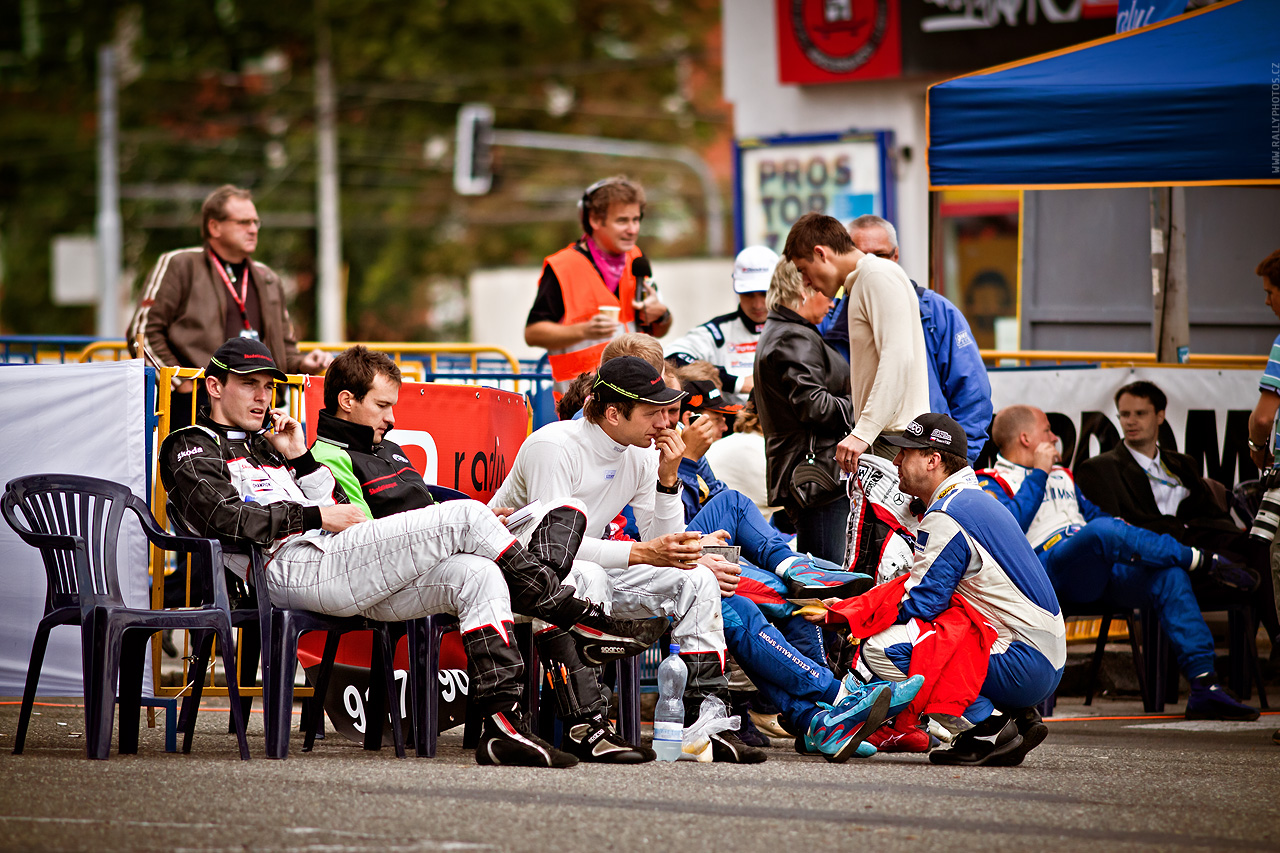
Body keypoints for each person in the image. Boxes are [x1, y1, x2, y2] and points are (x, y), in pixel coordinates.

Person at [160, 338, 660, 768]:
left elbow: (333, 506)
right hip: (287, 567)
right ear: (214, 386)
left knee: (476, 576)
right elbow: (222, 518)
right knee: (466, 517)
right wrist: (312, 518)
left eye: (268, 385)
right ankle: (568, 612)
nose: (262, 396)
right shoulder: (189, 443)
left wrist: (298, 456)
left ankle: (503, 729)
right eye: (250, 384)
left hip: (339, 563)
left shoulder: (271, 443)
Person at [308, 345, 665, 763]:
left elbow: (422, 517)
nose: (392, 418)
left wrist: (483, 520)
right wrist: (460, 524)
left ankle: (577, 725)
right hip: (384, 579)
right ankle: (567, 615)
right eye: (383, 405)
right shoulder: (325, 459)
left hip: (444, 562)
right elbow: (366, 546)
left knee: (566, 514)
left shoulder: (387, 448)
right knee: (497, 569)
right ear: (347, 401)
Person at [490, 356, 773, 763]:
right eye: (652, 412)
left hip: (586, 573)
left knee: (697, 581)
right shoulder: (552, 446)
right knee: (586, 573)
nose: (666, 422)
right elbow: (552, 551)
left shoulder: (642, 451)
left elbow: (662, 542)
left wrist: (669, 477)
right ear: (612, 413)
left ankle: (702, 726)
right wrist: (642, 552)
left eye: (666, 411)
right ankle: (586, 725)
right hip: (520, 577)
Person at [979, 405, 1260, 722]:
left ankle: (1205, 687)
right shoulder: (988, 482)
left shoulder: (1065, 476)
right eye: (1047, 430)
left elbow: (1101, 519)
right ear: (1027, 438)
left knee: (1167, 575)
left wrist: (1122, 534)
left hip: (1093, 566)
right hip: (1044, 575)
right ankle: (1202, 560)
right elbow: (1008, 532)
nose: (1055, 436)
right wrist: (1040, 474)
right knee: (1101, 533)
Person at [863, 413, 1066, 766]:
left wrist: (854, 616)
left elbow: (921, 604)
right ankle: (1017, 716)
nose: (896, 461)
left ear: (932, 460)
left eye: (905, 453)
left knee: (880, 648)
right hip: (1044, 659)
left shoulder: (947, 514)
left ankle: (987, 727)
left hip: (1024, 663)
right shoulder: (977, 500)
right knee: (948, 623)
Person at [1074, 380, 1273, 640]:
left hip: (1200, 542)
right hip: (1156, 554)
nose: (1130, 421)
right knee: (1230, 571)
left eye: (1140, 413)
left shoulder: (1182, 463)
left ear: (1160, 416)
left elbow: (1210, 513)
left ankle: (1274, 635)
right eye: (1125, 414)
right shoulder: (1099, 468)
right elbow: (1114, 530)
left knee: (1260, 546)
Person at [127, 185, 331, 428]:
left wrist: (304, 363)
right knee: (201, 467)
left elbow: (284, 351)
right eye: (243, 222)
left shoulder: (269, 278)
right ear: (214, 226)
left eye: (256, 222)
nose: (253, 229)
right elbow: (141, 334)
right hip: (197, 406)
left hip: (260, 406)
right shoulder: (179, 264)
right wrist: (183, 384)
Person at [819, 215, 992, 465]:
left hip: (928, 459)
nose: (870, 264)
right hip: (860, 459)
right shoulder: (830, 319)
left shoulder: (937, 312)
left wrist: (956, 463)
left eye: (880, 255)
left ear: (896, 255)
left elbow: (973, 396)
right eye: (862, 256)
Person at [524, 176, 672, 394]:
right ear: (594, 220)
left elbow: (660, 329)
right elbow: (533, 333)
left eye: (636, 219)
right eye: (622, 221)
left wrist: (662, 314)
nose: (633, 229)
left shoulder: (637, 259)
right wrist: (584, 330)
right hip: (581, 401)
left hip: (636, 395)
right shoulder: (562, 266)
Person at [752, 259, 851, 563]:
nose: (833, 301)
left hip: (810, 473)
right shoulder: (794, 335)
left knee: (823, 574)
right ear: (805, 287)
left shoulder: (784, 330)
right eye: (826, 289)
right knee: (826, 577)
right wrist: (864, 406)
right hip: (819, 475)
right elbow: (815, 407)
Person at [664, 245, 779, 394]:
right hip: (733, 415)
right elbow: (671, 358)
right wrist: (736, 383)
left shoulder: (796, 329)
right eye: (748, 294)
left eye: (764, 294)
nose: (757, 305)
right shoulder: (717, 332)